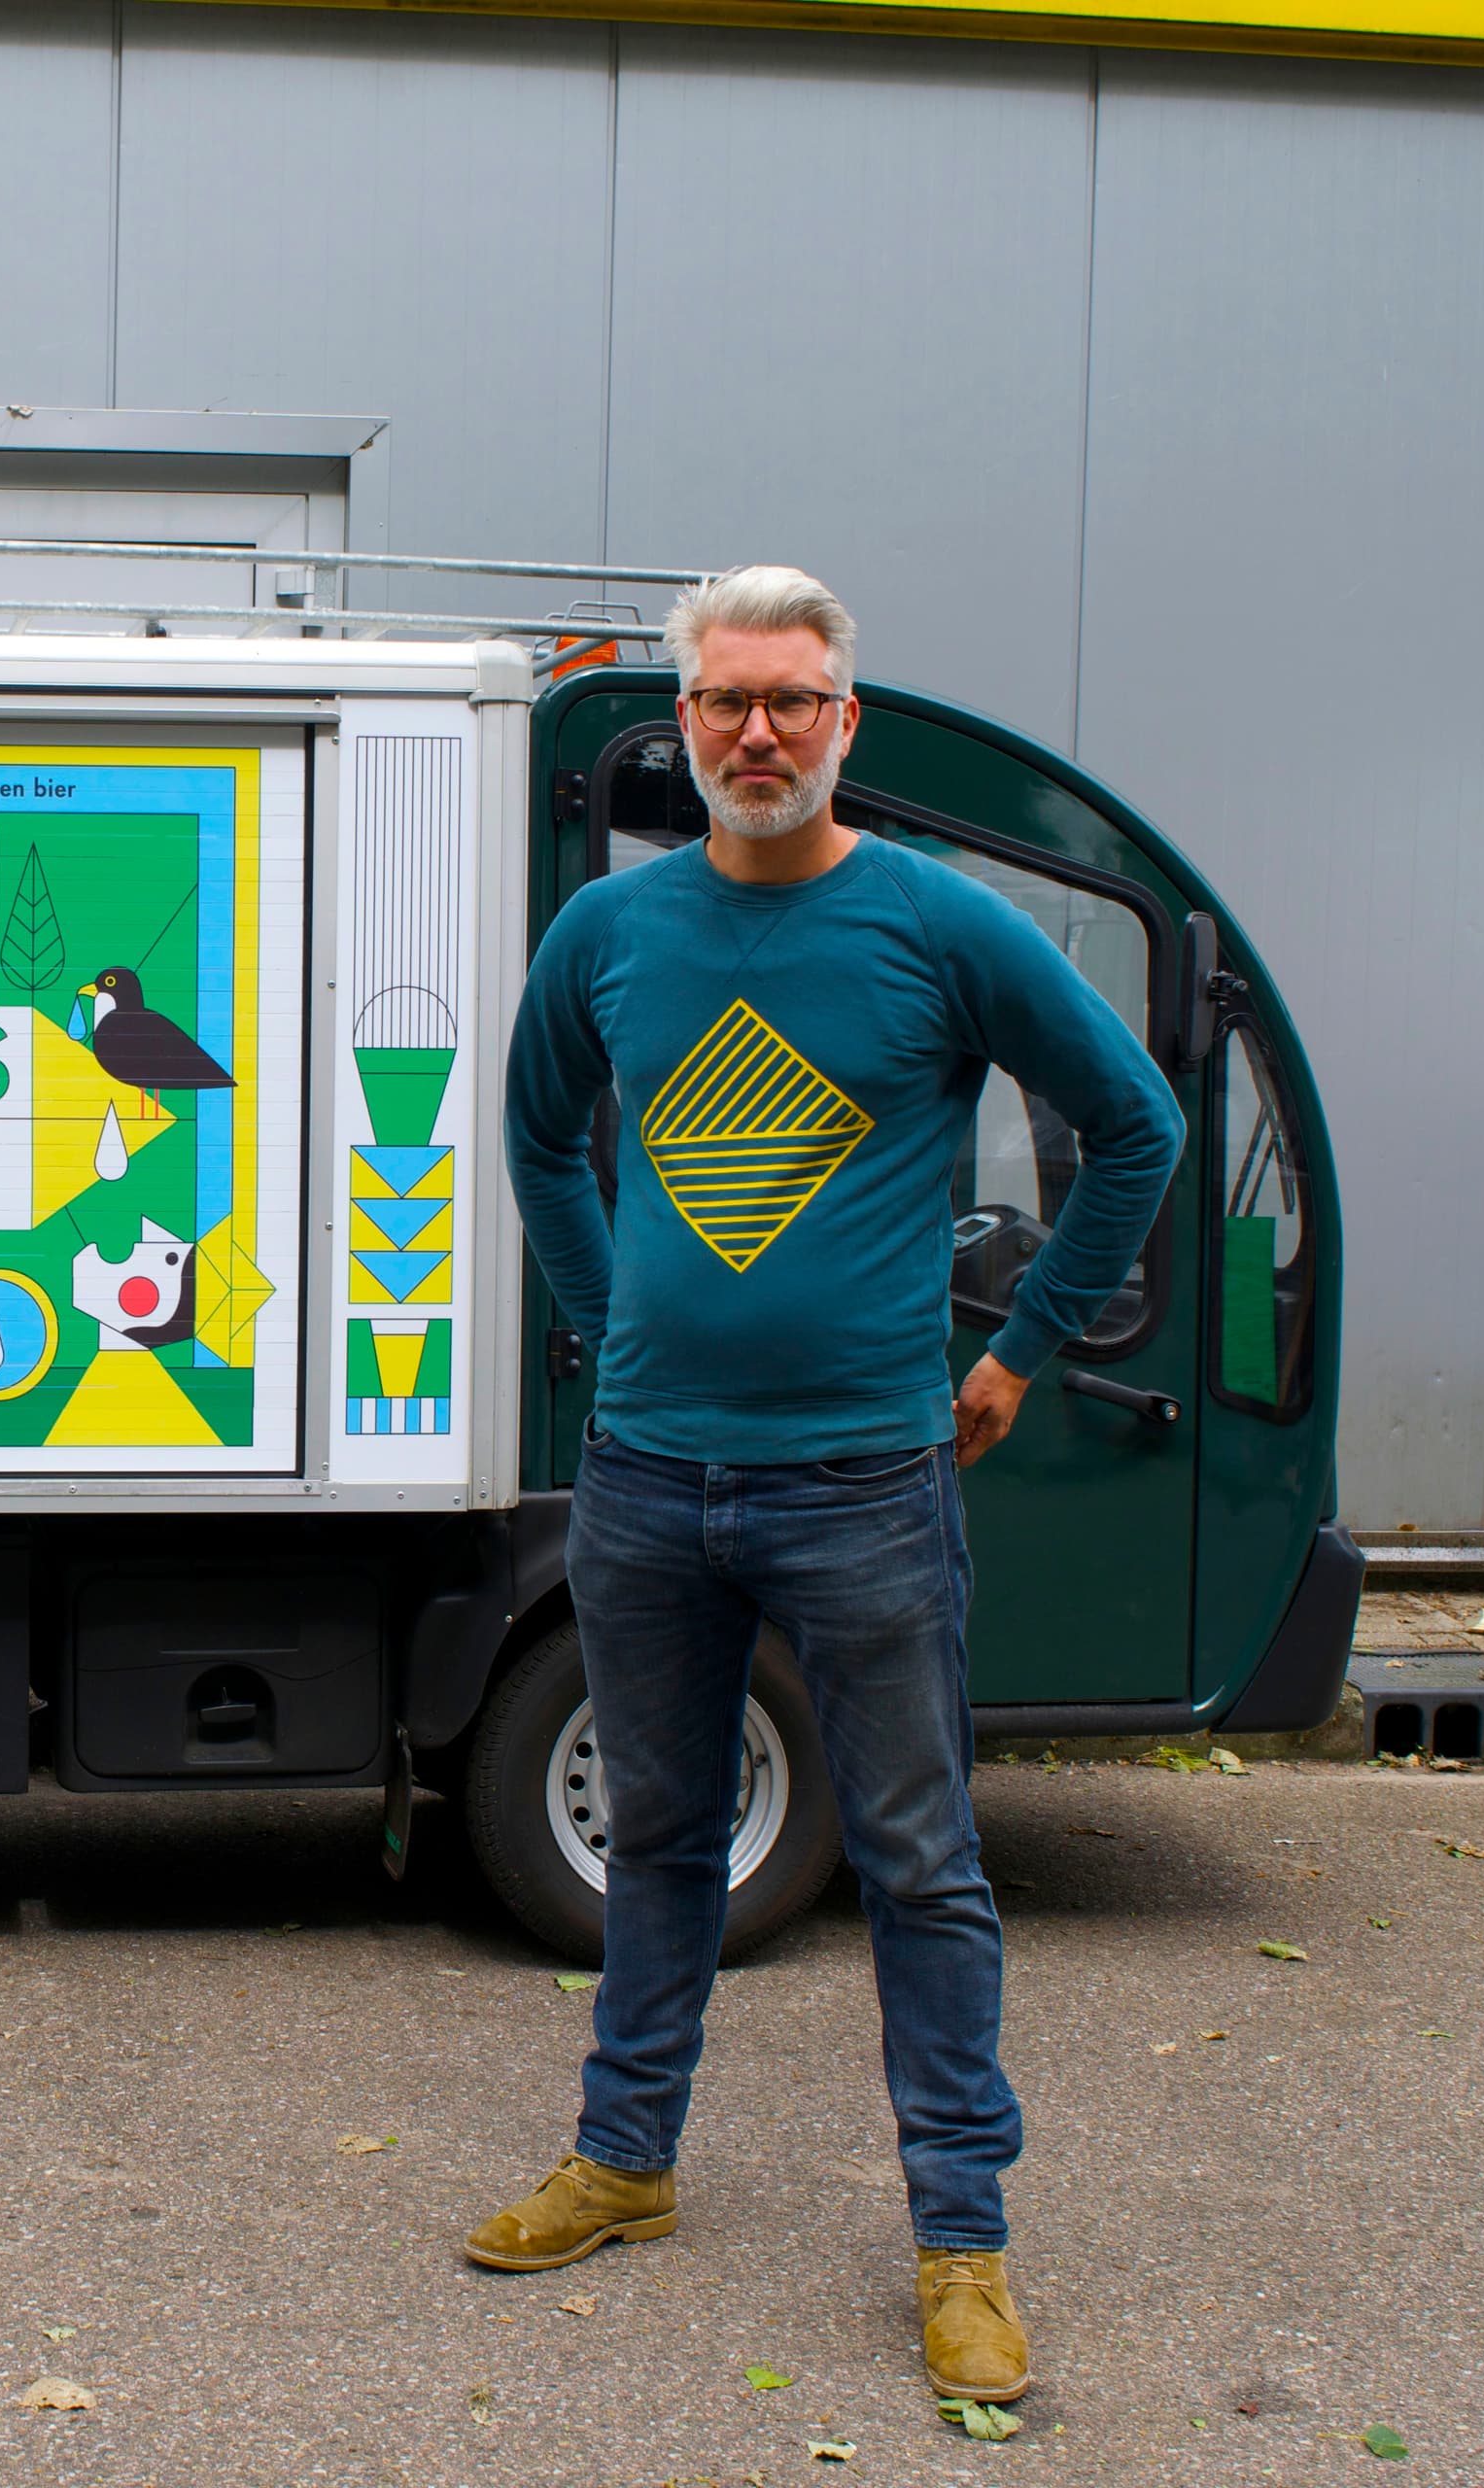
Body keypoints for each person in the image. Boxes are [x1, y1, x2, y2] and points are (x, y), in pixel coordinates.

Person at [470, 565, 1182, 2405]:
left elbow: (1139, 1127)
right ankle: (624, 2162)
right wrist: (606, 1317)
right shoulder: (609, 936)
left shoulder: (938, 924)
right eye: (725, 701)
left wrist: (1019, 1352)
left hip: (866, 1483)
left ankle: (962, 2240)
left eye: (793, 700)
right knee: (658, 1838)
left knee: (921, 1865)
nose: (758, 733)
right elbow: (536, 1136)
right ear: (684, 723)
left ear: (844, 720)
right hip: (645, 1480)